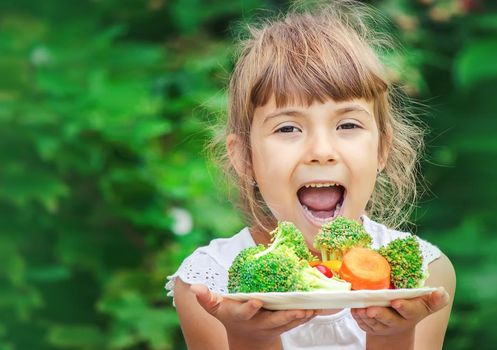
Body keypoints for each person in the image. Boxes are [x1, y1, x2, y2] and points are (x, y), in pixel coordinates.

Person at [164, 1, 455, 349]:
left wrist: (394, 334)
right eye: (288, 128)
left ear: (381, 149)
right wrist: (248, 337)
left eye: (347, 124)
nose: (321, 151)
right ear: (244, 157)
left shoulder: (425, 275)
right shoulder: (208, 283)